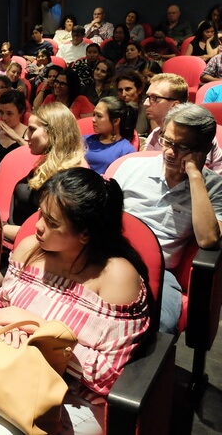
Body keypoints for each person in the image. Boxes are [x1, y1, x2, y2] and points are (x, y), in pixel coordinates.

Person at [0, 167, 151, 435]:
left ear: (85, 234)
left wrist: (40, 330)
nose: (38, 226)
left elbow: (108, 375)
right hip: (8, 368)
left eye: (52, 222)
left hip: (72, 394)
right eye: (41, 213)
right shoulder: (30, 248)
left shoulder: (116, 277)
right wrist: (5, 327)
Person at [114, 103, 222, 334]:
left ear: (203, 149)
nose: (170, 152)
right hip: (113, 255)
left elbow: (209, 240)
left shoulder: (213, 187)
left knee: (162, 324)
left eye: (182, 146)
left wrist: (194, 175)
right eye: (167, 141)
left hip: (160, 270)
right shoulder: (132, 166)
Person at [3, 103, 86, 244]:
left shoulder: (68, 177)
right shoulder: (50, 162)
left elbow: (45, 232)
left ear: (52, 133)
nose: (27, 137)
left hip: (31, 247)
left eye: (32, 130)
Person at [142, 73, 222, 173]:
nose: (145, 103)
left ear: (175, 105)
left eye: (154, 98)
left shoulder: (198, 136)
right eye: (147, 97)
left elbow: (196, 177)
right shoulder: (154, 135)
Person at [84, 97, 137, 175]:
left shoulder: (126, 150)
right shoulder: (85, 140)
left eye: (99, 116)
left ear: (115, 121)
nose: (93, 119)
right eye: (94, 114)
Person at [116, 71, 150, 138]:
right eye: (120, 90)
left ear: (139, 90)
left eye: (128, 89)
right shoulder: (114, 110)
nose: (123, 94)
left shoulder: (147, 109)